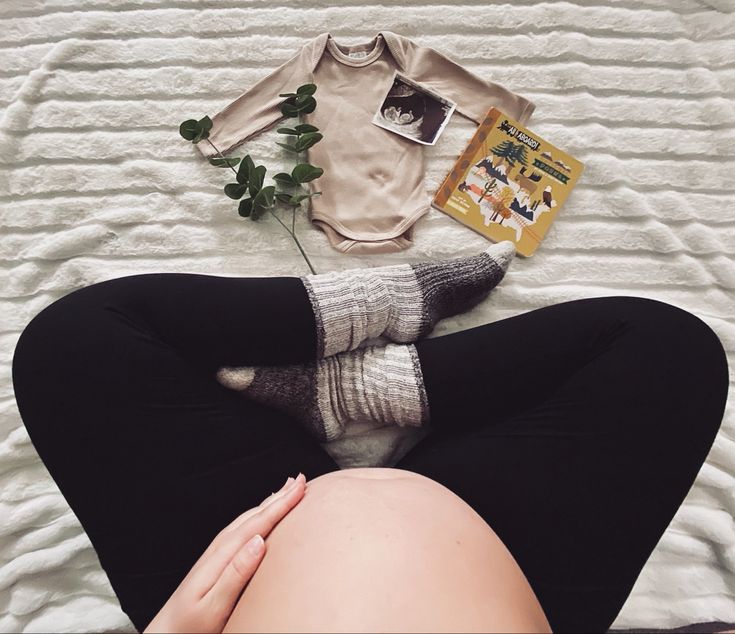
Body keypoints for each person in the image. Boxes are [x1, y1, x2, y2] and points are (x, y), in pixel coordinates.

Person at [11, 242, 729, 633]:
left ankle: (354, 338)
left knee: (72, 345)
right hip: (513, 571)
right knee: (667, 351)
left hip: (232, 562)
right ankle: (379, 383)